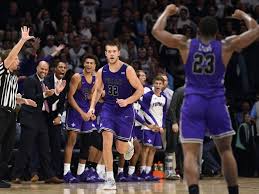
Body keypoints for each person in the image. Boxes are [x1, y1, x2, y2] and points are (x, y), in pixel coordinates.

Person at [152, 5, 259, 194]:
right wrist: (242, 15)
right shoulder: (226, 45)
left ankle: (194, 191)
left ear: (198, 31)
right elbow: (256, 30)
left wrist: (167, 12)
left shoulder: (186, 44)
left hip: (193, 101)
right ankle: (233, 191)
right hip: (216, 101)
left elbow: (157, 31)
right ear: (217, 32)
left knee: (191, 154)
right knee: (225, 151)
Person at [88, 41, 144, 190]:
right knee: (106, 138)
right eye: (109, 51)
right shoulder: (102, 71)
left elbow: (140, 90)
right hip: (108, 108)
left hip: (125, 110)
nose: (111, 54)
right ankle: (110, 178)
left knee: (121, 149)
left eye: (114, 51)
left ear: (119, 53)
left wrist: (127, 101)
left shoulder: (128, 70)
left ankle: (129, 144)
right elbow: (98, 91)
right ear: (105, 54)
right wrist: (92, 107)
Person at [0, 26, 36, 188]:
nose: (18, 60)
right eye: (15, 59)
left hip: (11, 114)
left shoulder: (14, 77)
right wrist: (22, 40)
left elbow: (13, 97)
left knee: (7, 148)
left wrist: (25, 101)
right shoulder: (2, 70)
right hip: (0, 113)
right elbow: (10, 57)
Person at [63, 54, 101, 183]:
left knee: (87, 143)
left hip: (87, 112)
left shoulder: (97, 79)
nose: (89, 65)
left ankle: (80, 172)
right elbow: (70, 97)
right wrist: (81, 113)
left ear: (95, 66)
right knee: (71, 141)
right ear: (83, 64)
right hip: (75, 111)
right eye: (87, 63)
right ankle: (66, 172)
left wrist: (91, 111)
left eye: (92, 63)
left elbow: (93, 97)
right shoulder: (77, 77)